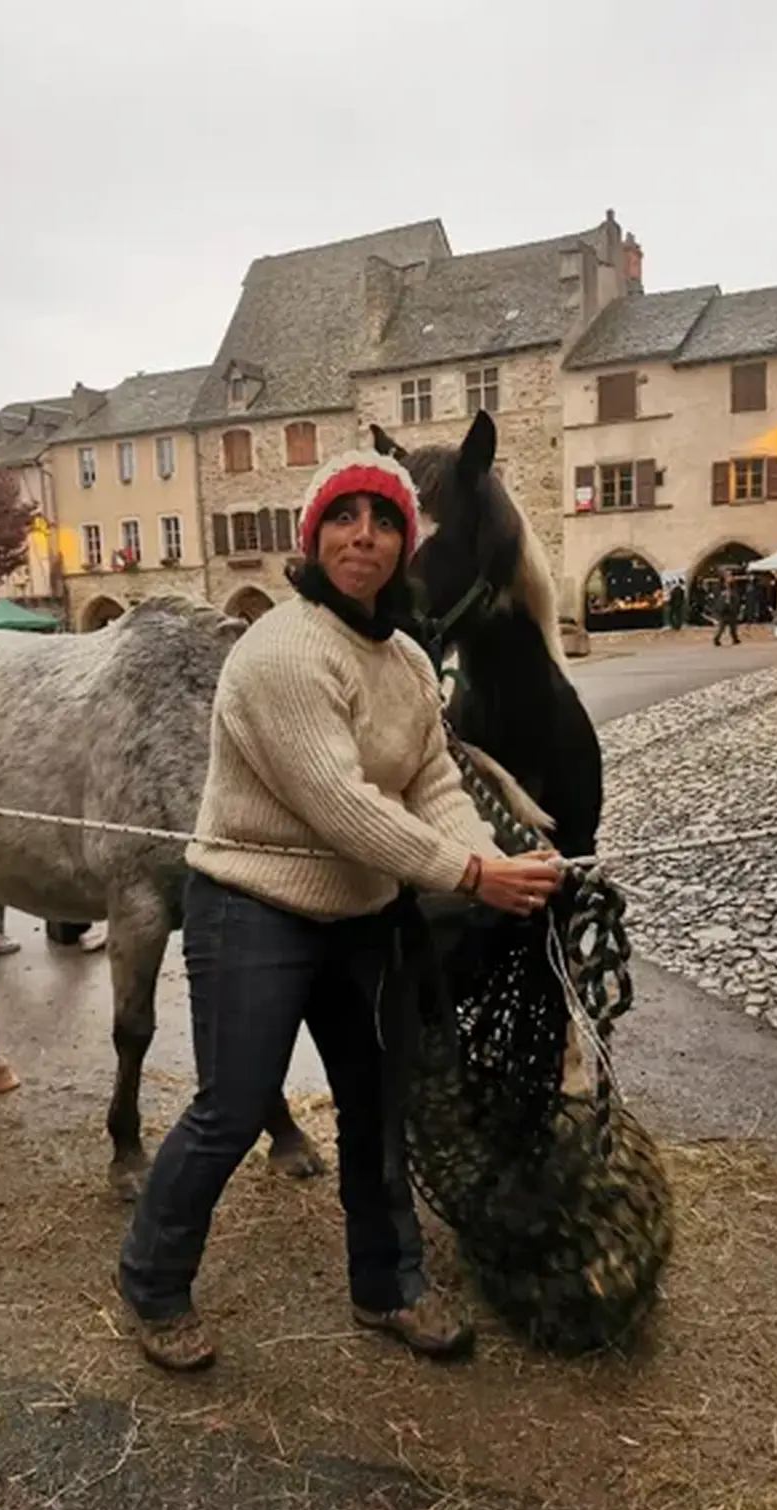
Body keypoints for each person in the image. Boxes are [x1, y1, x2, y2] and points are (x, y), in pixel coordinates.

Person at [117, 450, 564, 1373]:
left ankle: (388, 1286)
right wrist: (470, 877)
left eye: (386, 519)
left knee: (373, 1104)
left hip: (359, 915)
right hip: (252, 909)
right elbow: (344, 804)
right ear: (313, 536)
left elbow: (430, 774)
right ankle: (153, 1284)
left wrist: (493, 856)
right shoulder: (280, 650)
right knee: (232, 1110)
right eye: (345, 516)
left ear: (406, 543)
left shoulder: (401, 656)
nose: (365, 534)